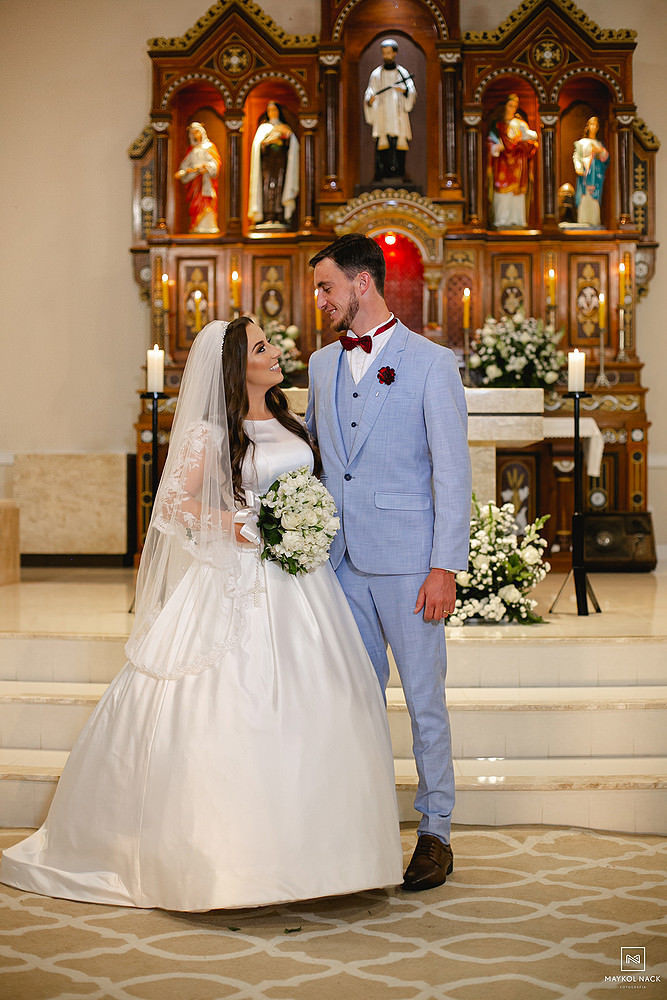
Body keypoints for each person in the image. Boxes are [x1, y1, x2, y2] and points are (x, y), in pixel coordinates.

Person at [0, 317, 403, 910]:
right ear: (238, 366)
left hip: (305, 583)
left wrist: (303, 524)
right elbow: (173, 504)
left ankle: (330, 859)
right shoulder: (212, 433)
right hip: (238, 577)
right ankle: (231, 863)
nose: (276, 351)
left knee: (328, 700)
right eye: (262, 346)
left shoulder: (293, 419)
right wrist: (242, 524)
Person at [307, 234, 472, 891]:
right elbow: (317, 458)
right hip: (340, 565)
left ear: (362, 284)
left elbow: (451, 473)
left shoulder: (430, 363)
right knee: (355, 702)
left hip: (410, 566)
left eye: (326, 287)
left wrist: (444, 567)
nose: (319, 300)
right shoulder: (320, 364)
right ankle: (366, 827)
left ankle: (436, 833)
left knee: (424, 703)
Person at [364, 39, 416, 181]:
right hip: (382, 114)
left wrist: (404, 91)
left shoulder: (402, 73)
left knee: (398, 144)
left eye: (388, 53)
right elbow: (370, 91)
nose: (386, 56)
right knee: (382, 144)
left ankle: (399, 172)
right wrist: (370, 100)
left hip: (398, 114)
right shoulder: (376, 74)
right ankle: (382, 173)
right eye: (384, 53)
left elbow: (411, 90)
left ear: (394, 53)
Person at [487, 92, 539, 228]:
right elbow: (491, 143)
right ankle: (501, 220)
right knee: (502, 192)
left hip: (518, 162)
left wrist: (521, 141)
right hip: (502, 163)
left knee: (517, 194)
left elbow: (531, 139)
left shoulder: (520, 124)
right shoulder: (498, 125)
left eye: (515, 106)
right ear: (504, 106)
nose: (512, 109)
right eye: (510, 105)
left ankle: (517, 220)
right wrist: (497, 147)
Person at [248, 102, 299, 227]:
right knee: (267, 188)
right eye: (270, 110)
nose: (272, 113)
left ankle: (280, 215)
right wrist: (268, 142)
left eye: (275, 110)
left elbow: (292, 144)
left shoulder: (284, 127)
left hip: (281, 163)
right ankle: (268, 215)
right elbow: (258, 146)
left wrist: (284, 138)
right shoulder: (263, 128)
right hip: (267, 164)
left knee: (280, 186)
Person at [174, 122, 221, 234]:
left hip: (206, 182)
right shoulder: (192, 150)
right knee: (195, 204)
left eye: (196, 132)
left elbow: (215, 164)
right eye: (192, 133)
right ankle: (196, 226)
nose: (194, 135)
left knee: (207, 203)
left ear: (201, 132)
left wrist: (207, 167)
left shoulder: (209, 147)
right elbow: (184, 166)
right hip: (195, 183)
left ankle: (208, 227)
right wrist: (185, 172)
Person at [573, 116, 609, 228]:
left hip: (596, 175)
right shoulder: (582, 143)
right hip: (585, 174)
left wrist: (599, 152)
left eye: (596, 125)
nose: (594, 127)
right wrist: (579, 167)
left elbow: (605, 158)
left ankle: (594, 221)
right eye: (592, 124)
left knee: (595, 198)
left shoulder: (599, 144)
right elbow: (577, 156)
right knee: (584, 197)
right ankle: (583, 220)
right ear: (588, 126)